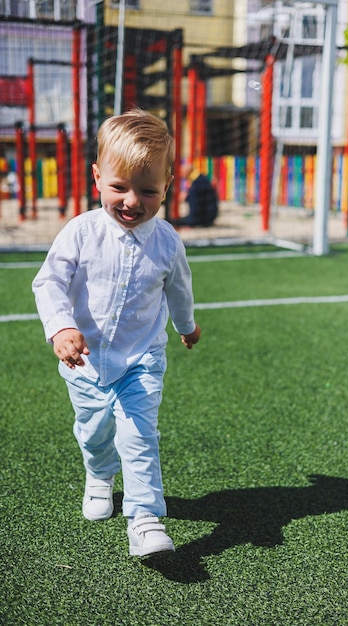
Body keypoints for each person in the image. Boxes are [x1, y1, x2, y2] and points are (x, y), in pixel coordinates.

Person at [32, 108, 201, 558]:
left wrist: (187, 326)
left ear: (167, 186)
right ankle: (99, 475)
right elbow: (48, 282)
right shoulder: (82, 232)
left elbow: (179, 288)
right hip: (84, 363)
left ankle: (145, 519)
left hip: (142, 360)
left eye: (148, 191)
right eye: (119, 188)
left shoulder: (167, 241)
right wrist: (61, 327)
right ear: (97, 178)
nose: (132, 201)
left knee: (139, 435)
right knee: (94, 432)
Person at [171, 163, 218, 227]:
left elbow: (195, 210)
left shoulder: (195, 185)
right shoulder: (201, 179)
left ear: (187, 172)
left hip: (203, 218)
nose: (181, 175)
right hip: (209, 216)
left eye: (182, 173)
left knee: (173, 221)